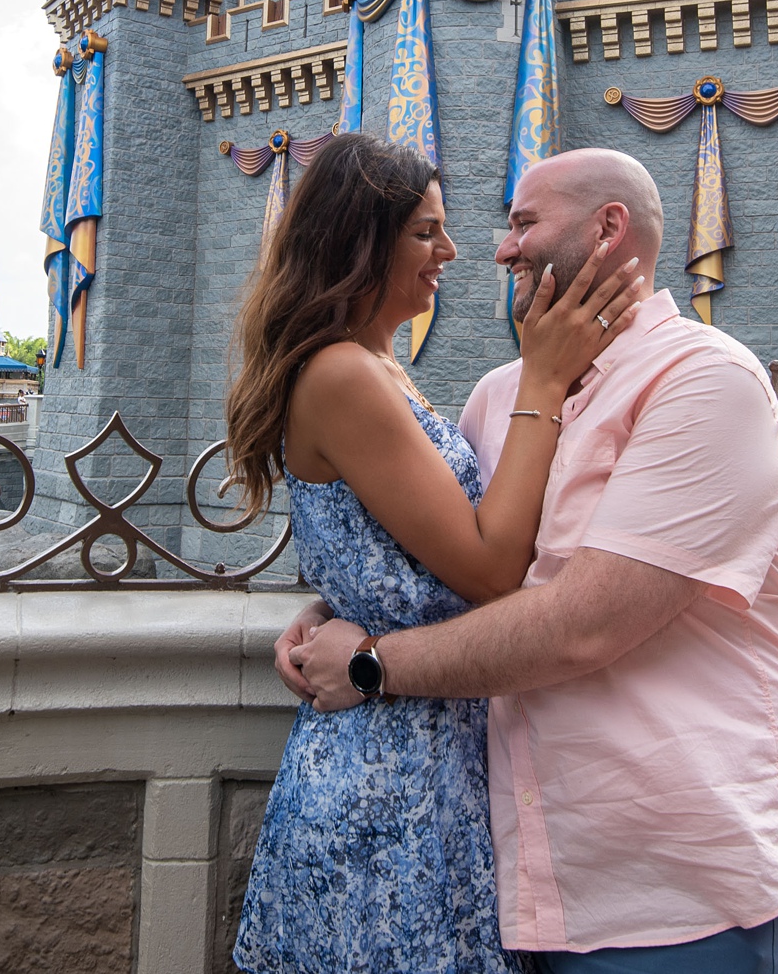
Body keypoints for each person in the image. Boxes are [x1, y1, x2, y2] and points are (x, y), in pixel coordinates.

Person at [290, 148, 778, 974]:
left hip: (675, 892)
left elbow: (583, 624)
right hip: (513, 880)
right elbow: (436, 563)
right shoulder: (499, 397)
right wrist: (336, 603)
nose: (497, 250)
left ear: (608, 229)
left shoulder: (705, 382)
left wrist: (366, 664)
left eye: (523, 223)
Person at [226, 133, 643, 974]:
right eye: (426, 232)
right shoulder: (343, 373)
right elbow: (490, 570)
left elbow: (382, 546)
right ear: (361, 240)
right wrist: (543, 379)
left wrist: (328, 609)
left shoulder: (377, 368)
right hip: (392, 778)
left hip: (427, 754)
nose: (452, 252)